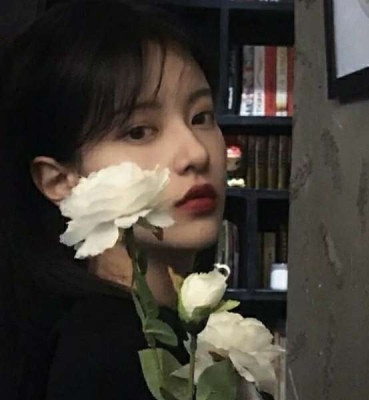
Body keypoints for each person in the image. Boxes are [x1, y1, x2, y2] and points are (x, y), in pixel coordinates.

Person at [0, 1, 227, 399]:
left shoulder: (159, 332)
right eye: (139, 131)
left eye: (201, 117)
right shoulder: (106, 351)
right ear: (59, 180)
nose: (195, 153)